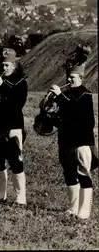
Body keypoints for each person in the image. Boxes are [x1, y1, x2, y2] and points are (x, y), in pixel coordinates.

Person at [50, 44, 97, 219]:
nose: (69, 80)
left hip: (81, 141)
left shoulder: (85, 95)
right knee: (69, 175)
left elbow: (79, 115)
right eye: (68, 77)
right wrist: (50, 115)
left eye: (73, 77)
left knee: (84, 175)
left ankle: (84, 211)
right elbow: (61, 119)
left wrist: (60, 98)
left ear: (81, 77)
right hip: (65, 141)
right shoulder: (66, 95)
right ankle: (73, 208)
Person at [0, 47, 28, 205]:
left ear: (14, 65)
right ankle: (1, 193)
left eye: (7, 65)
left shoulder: (20, 83)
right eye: (2, 65)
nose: (4, 68)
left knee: (16, 161)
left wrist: (2, 85)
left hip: (13, 126)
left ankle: (20, 196)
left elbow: (16, 105)